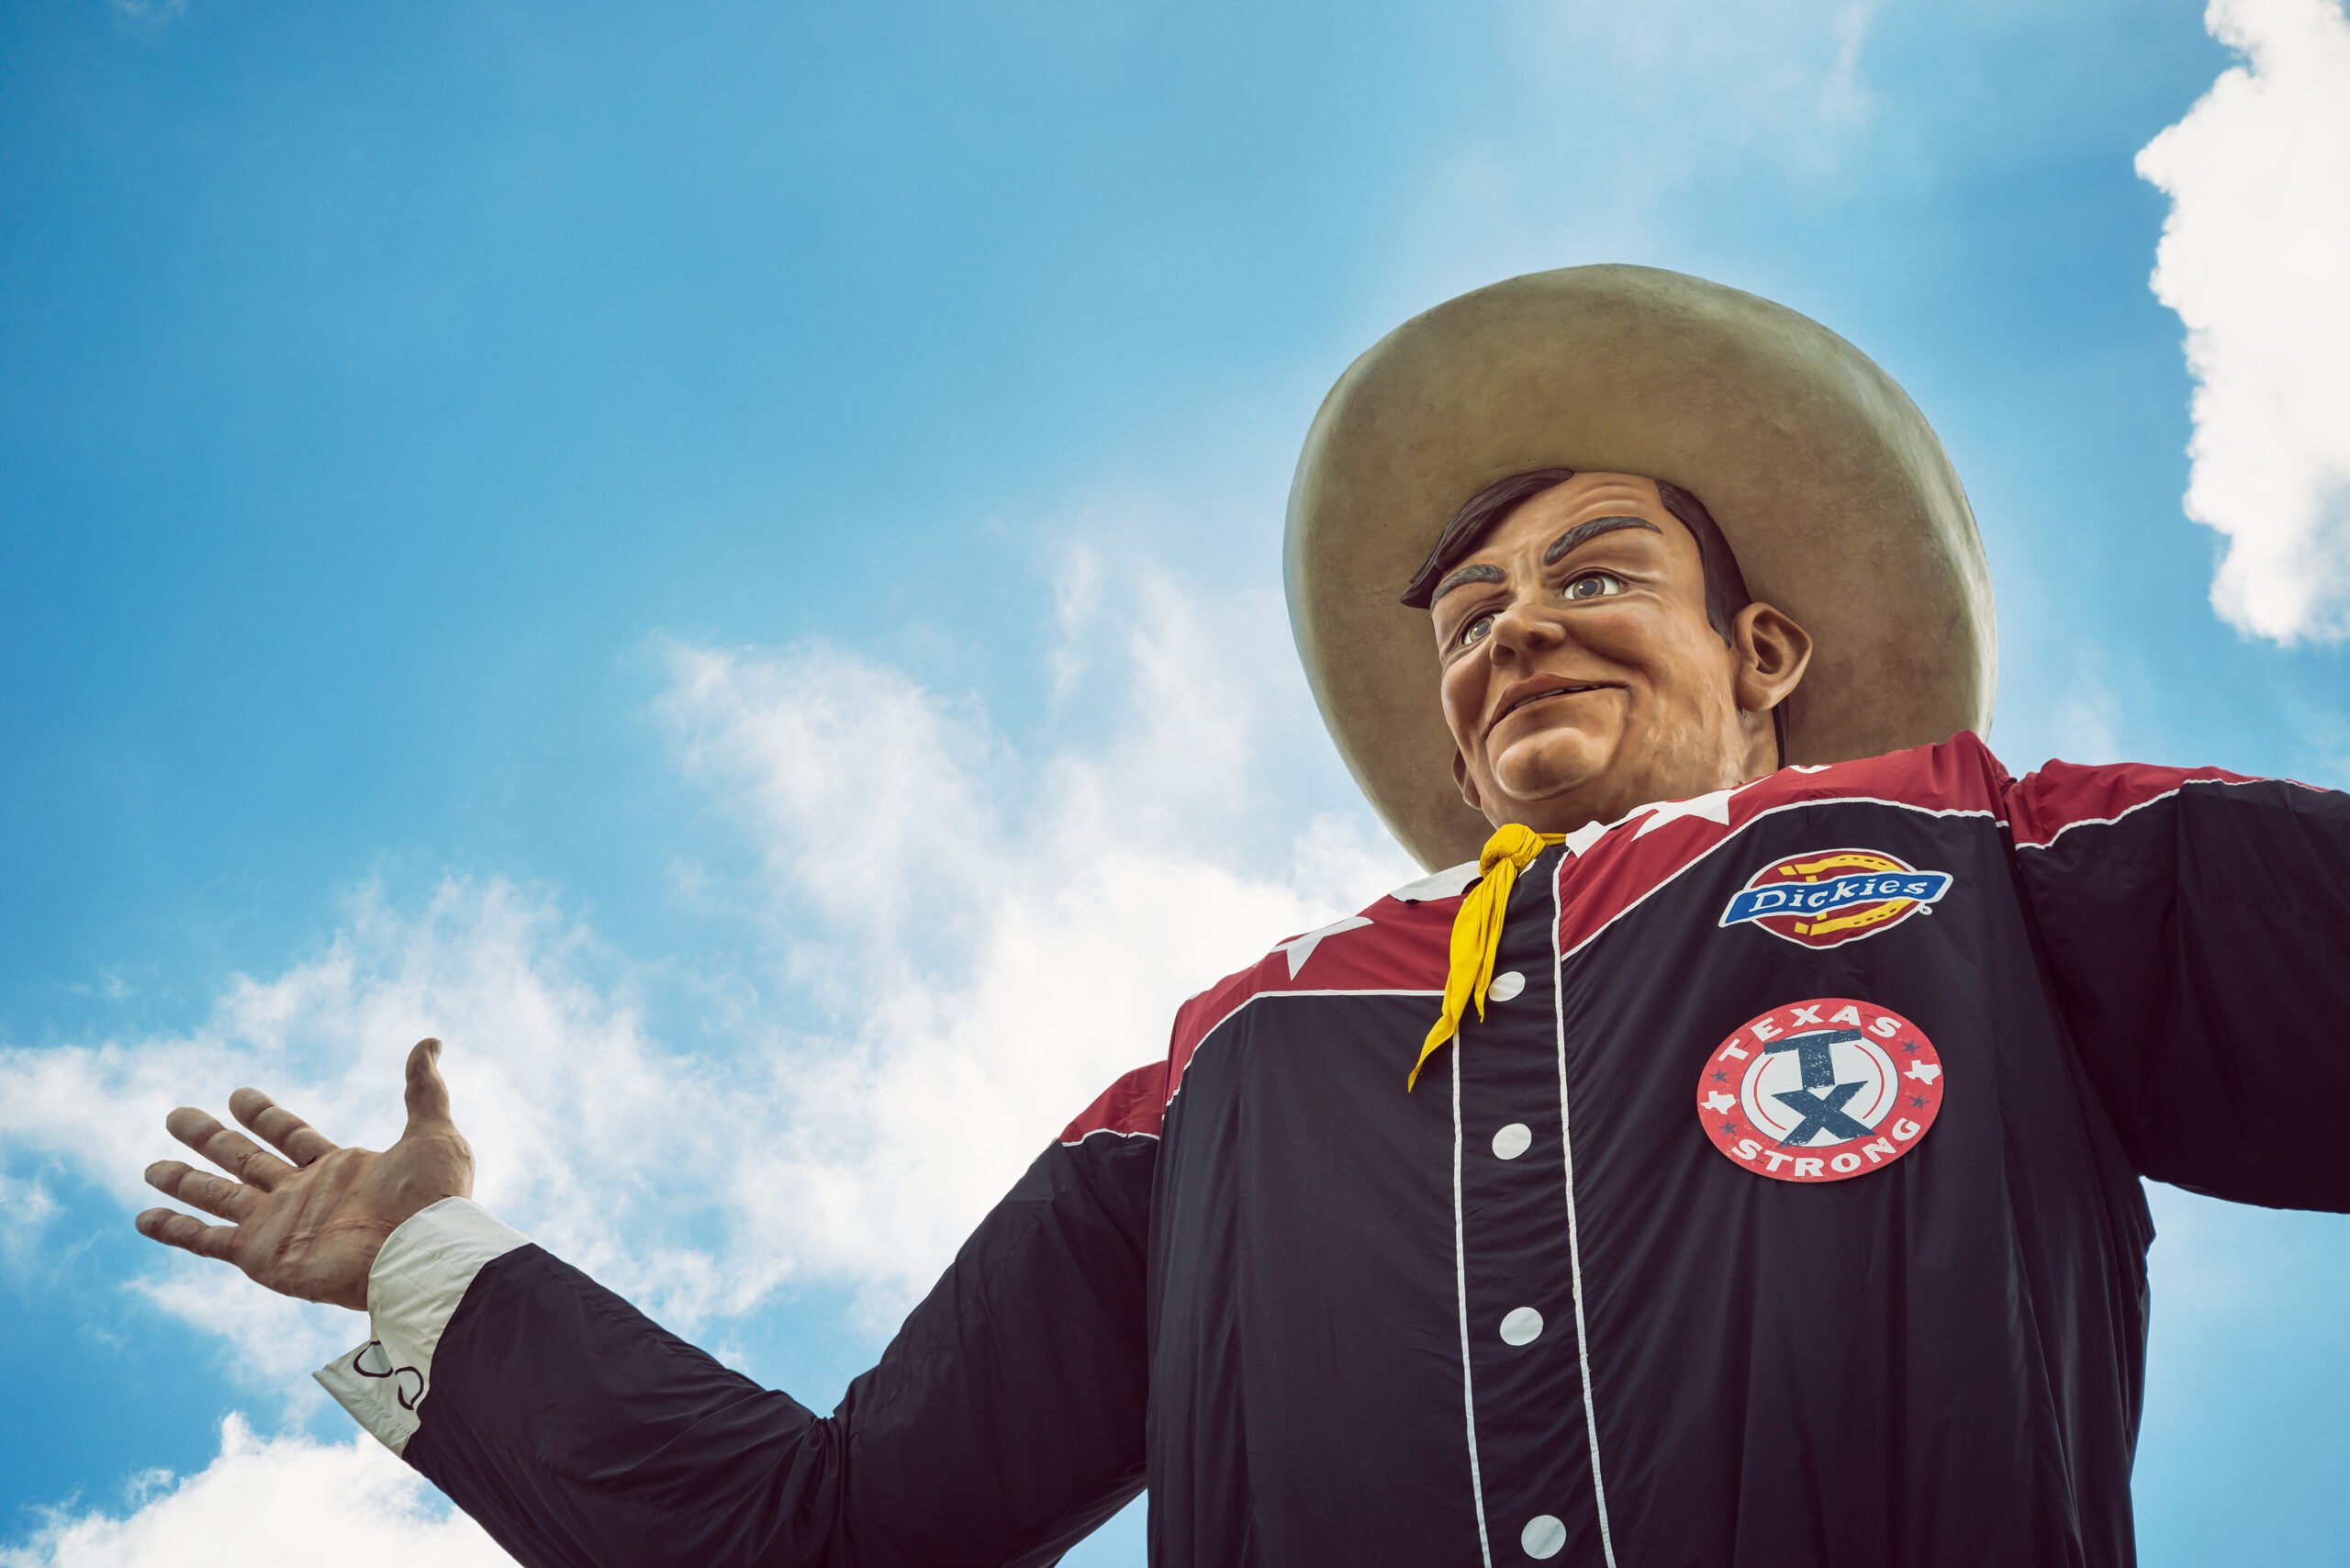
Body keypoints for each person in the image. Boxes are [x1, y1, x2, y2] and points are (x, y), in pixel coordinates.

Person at [134, 266, 2350, 1567]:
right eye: (1470, 610)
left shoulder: (1996, 843)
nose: (1513, 634)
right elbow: (839, 1526)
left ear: (1762, 650)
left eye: (1596, 575)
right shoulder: (1233, 1057)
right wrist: (425, 1259)